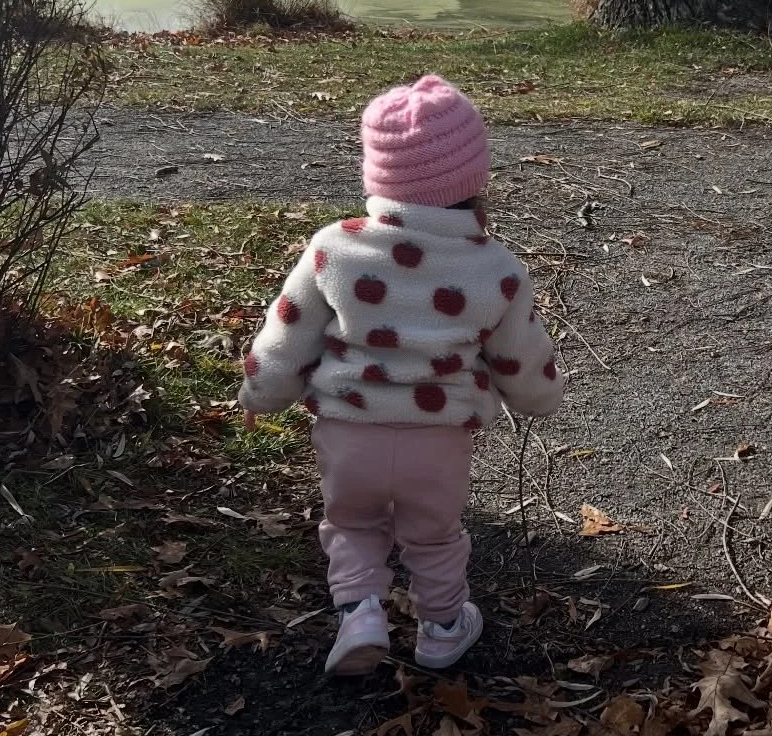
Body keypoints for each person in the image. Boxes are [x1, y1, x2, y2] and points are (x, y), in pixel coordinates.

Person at [238, 75, 565, 675]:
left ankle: (360, 612)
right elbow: (520, 356)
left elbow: (286, 333)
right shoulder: (495, 268)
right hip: (436, 440)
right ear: (474, 179)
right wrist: (540, 398)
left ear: (377, 174)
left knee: (351, 522)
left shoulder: (333, 249)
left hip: (348, 432)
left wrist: (263, 391)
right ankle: (442, 628)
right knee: (434, 534)